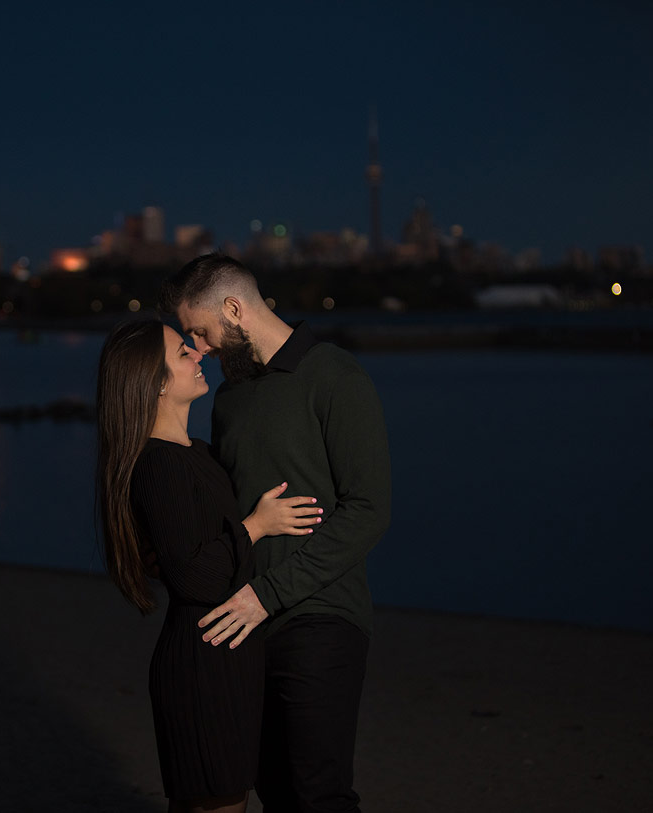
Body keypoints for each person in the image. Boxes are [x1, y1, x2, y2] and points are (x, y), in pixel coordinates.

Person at [160, 254, 392, 813]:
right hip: (246, 622)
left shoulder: (333, 374)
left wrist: (270, 594)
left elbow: (369, 510)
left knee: (318, 793)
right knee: (273, 791)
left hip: (321, 616)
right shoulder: (231, 399)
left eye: (200, 329)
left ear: (235, 309)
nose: (201, 346)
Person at [96, 318, 324, 813]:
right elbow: (196, 575)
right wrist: (258, 525)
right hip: (202, 665)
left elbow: (184, 550)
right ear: (155, 383)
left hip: (224, 657)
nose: (198, 355)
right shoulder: (158, 464)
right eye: (183, 352)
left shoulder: (195, 454)